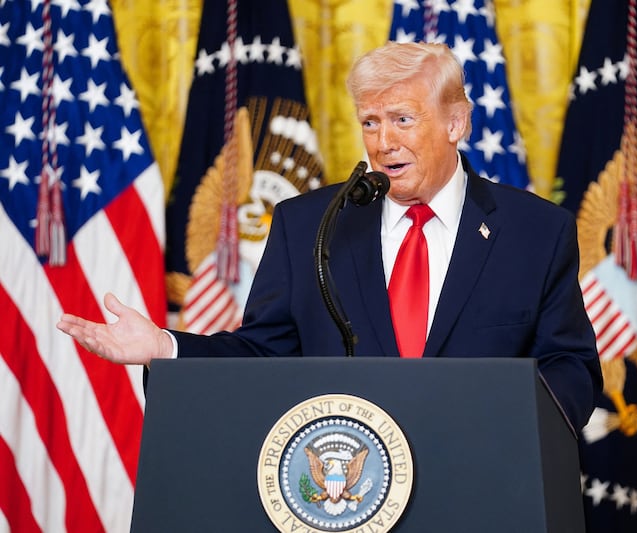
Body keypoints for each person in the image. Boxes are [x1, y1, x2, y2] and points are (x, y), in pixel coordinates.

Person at [57, 41, 602, 431]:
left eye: (402, 120)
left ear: (456, 123)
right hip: (345, 492)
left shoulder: (535, 230)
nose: (384, 142)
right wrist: (167, 348)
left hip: (485, 490)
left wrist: (509, 430)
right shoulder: (309, 225)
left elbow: (570, 366)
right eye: (370, 122)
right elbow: (263, 353)